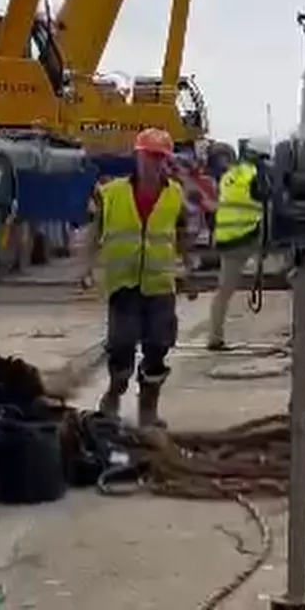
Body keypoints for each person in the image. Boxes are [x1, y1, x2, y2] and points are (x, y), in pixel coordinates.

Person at [79, 127, 194, 427]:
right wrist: (85, 267)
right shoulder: (112, 193)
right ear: (138, 156)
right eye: (149, 156)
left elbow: (182, 234)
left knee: (158, 344)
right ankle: (114, 393)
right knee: (122, 344)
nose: (154, 163)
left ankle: (148, 407)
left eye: (160, 158)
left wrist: (190, 268)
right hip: (123, 283)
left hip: (159, 284)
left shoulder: (174, 194)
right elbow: (94, 232)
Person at [205, 140, 270, 351]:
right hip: (249, 236)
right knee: (298, 266)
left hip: (226, 239)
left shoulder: (229, 176)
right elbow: (270, 201)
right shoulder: (257, 176)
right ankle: (303, 326)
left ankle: (215, 337)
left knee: (223, 291)